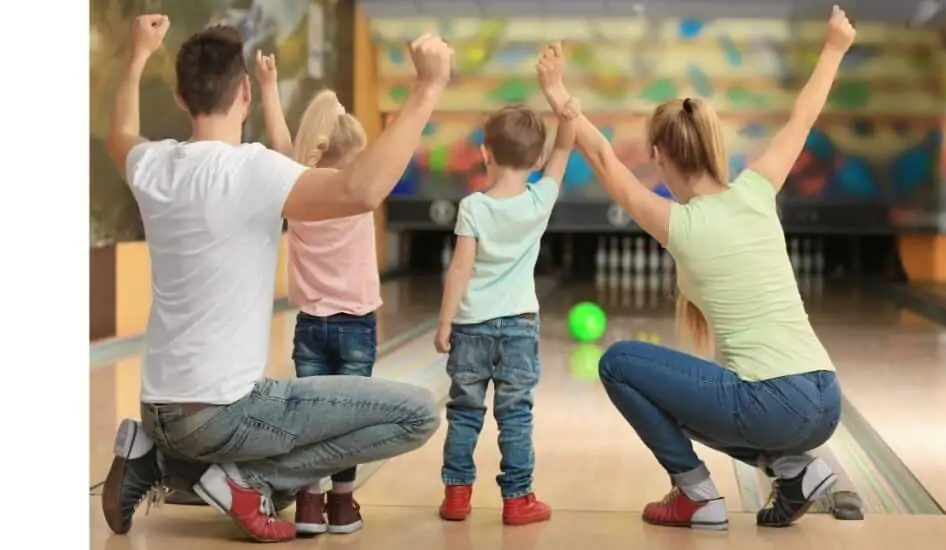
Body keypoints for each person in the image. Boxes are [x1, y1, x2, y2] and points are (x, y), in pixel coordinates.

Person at [100, 15, 453, 543]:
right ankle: (246, 483)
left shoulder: (155, 165)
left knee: (282, 475)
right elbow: (361, 190)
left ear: (179, 95)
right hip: (226, 413)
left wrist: (135, 56)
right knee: (419, 414)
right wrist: (427, 89)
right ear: (245, 92)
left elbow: (118, 134)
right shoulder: (255, 171)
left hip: (160, 411)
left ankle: (149, 461)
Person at [533, 5, 855, 530]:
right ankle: (793, 469)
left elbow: (602, 158)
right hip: (826, 395)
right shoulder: (757, 188)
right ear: (710, 146)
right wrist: (834, 47)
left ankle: (697, 493)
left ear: (659, 154)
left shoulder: (678, 223)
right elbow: (803, 117)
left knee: (619, 364)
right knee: (697, 397)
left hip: (772, 402)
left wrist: (557, 96)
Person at [251, 51, 381, 536]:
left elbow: (287, 144)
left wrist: (269, 85)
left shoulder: (297, 188)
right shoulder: (359, 191)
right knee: (347, 419)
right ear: (357, 158)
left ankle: (308, 505)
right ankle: (342, 507)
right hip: (356, 325)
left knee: (308, 416)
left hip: (309, 326)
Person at [433, 102, 575, 525]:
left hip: (471, 327)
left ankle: (457, 496)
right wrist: (566, 116)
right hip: (519, 327)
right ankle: (518, 499)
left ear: (485, 153)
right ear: (536, 160)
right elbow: (564, 152)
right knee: (515, 414)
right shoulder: (539, 201)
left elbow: (459, 268)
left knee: (463, 412)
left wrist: (444, 321)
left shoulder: (473, 207)